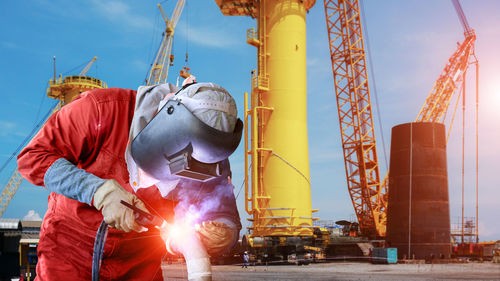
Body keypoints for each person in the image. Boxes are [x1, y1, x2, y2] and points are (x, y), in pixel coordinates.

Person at [17, 77, 242, 280]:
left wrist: (221, 233)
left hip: (141, 263)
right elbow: (32, 157)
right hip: (70, 253)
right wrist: (98, 192)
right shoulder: (101, 110)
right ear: (164, 115)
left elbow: (224, 215)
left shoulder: (212, 158)